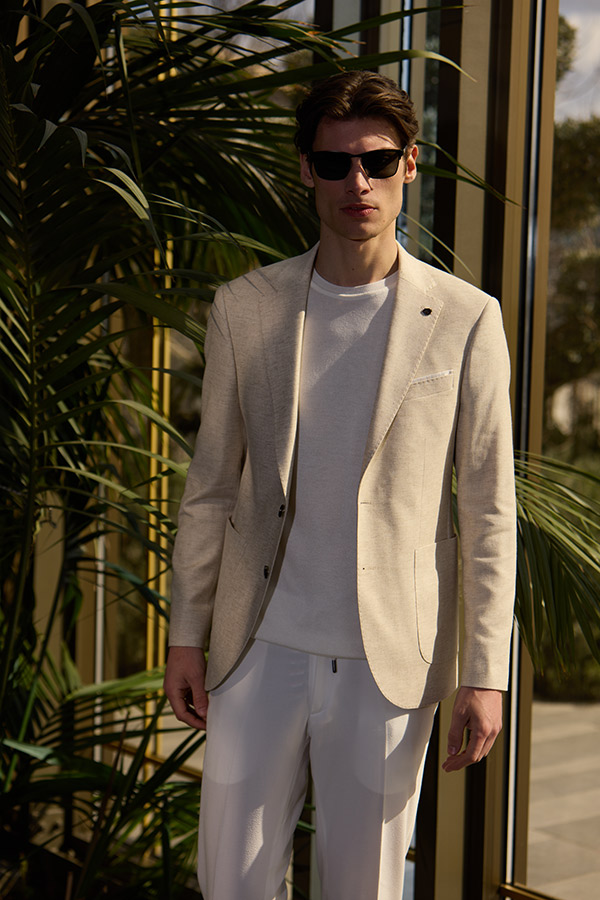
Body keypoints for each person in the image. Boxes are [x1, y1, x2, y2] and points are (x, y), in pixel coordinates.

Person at [164, 70, 516, 900]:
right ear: (307, 170)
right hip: (256, 648)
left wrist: (486, 671)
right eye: (335, 163)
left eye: (378, 161)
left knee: (365, 888)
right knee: (231, 886)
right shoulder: (245, 306)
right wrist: (186, 635)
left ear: (409, 165)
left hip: (388, 658)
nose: (358, 182)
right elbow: (210, 488)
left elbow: (489, 508)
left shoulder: (467, 317)